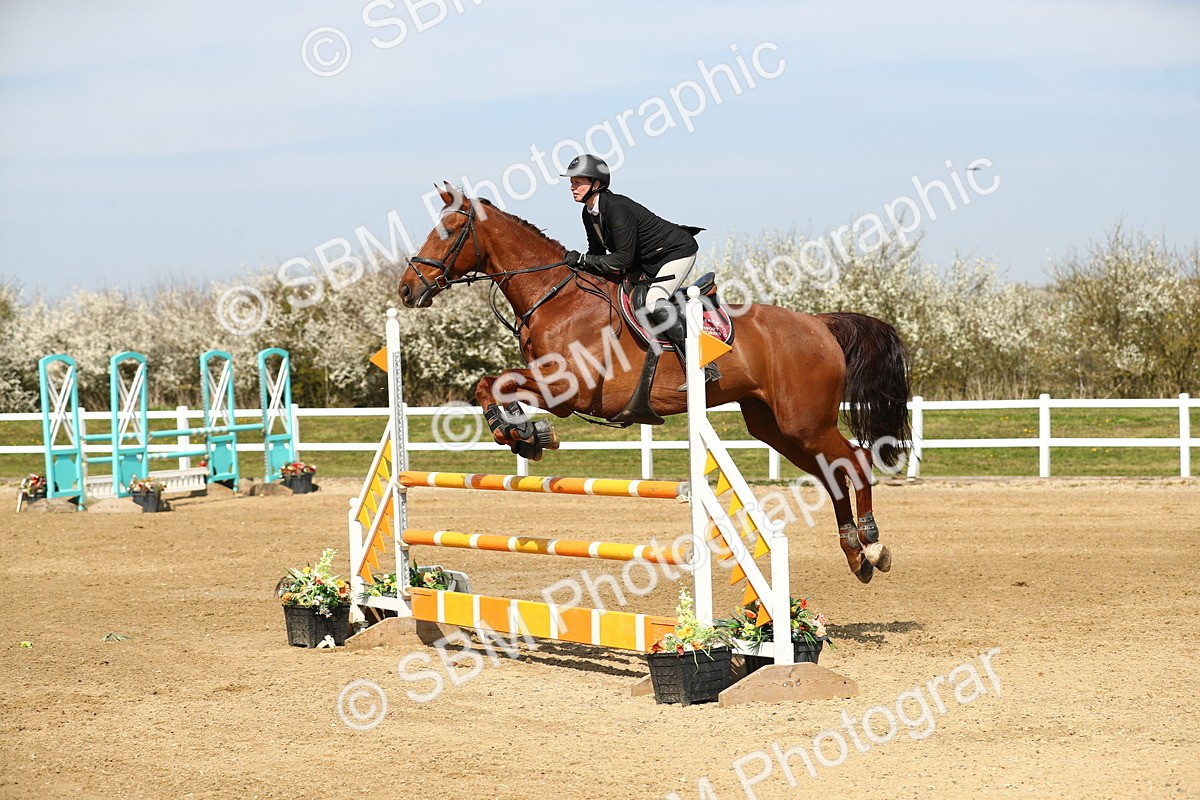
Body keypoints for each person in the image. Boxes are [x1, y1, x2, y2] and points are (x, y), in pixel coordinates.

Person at [560, 154, 718, 387]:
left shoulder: (617, 208)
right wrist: (579, 266)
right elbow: (598, 253)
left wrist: (584, 260)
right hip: (645, 260)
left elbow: (623, 258)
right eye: (571, 182)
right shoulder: (588, 212)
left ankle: (703, 364)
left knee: (654, 301)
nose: (572, 187)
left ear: (596, 183)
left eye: (577, 182)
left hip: (675, 252)